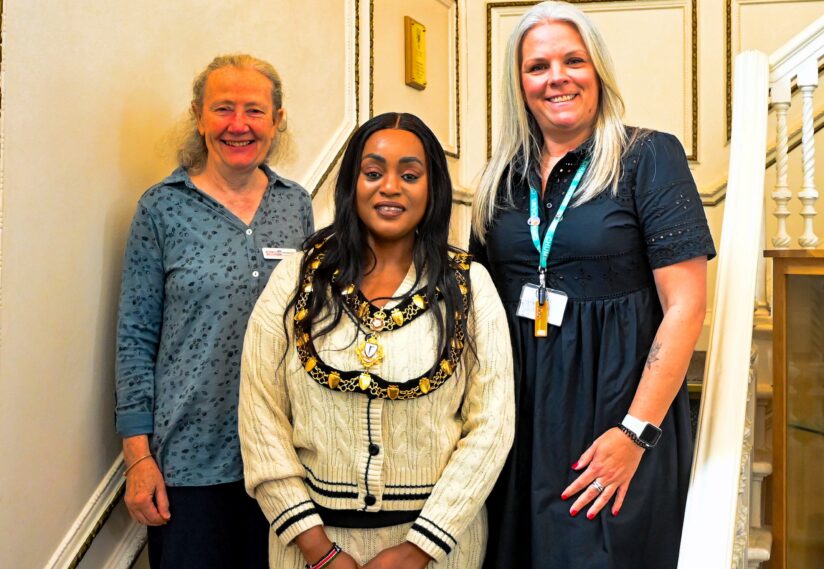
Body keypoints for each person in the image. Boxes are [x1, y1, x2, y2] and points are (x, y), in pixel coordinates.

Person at [470, 2, 716, 568]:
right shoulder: (498, 179)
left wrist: (635, 434)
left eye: (573, 60)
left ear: (597, 70)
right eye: (538, 66)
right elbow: (478, 303)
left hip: (613, 418)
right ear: (520, 83)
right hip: (516, 422)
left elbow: (685, 307)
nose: (557, 77)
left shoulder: (649, 155)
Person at [239, 112, 514, 569]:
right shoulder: (296, 279)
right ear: (352, 183)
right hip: (307, 550)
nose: (390, 187)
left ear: (433, 188)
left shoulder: (469, 285)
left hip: (438, 552)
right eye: (373, 172)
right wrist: (319, 551)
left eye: (410, 174)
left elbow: (491, 426)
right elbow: (260, 418)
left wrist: (418, 549)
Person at [115, 54, 314, 569]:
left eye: (254, 110)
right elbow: (135, 338)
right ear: (199, 117)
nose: (238, 125)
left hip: (285, 456)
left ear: (277, 119)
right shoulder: (161, 208)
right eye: (223, 109)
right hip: (189, 463)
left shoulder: (297, 206)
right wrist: (138, 458)